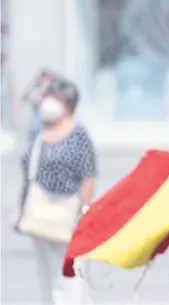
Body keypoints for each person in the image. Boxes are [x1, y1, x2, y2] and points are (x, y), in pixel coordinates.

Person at [16, 75, 96, 304]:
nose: (46, 103)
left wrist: (85, 209)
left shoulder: (78, 135)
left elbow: (88, 175)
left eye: (52, 97)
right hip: (40, 212)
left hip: (67, 213)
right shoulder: (40, 134)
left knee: (70, 277)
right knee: (47, 277)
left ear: (68, 103)